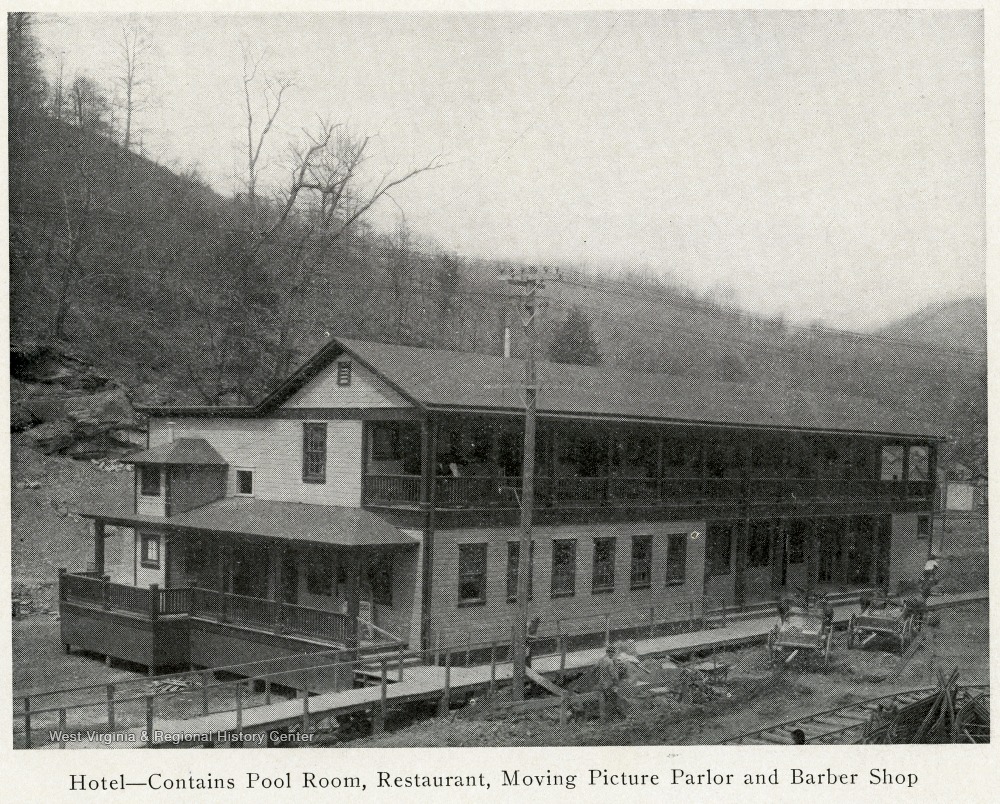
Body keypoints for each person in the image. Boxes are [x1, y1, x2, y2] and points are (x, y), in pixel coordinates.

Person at [595, 644, 623, 722]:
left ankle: (604, 719)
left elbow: (596, 672)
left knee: (603, 701)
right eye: (613, 653)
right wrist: (617, 684)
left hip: (601, 684)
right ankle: (610, 718)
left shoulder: (600, 660)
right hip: (608, 685)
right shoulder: (610, 662)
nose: (614, 655)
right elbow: (613, 675)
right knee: (612, 701)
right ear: (611, 653)